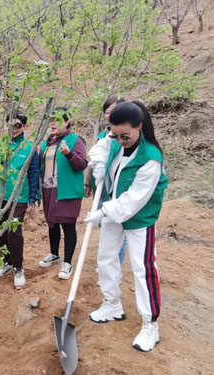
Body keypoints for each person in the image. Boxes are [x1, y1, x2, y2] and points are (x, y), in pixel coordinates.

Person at [85, 101, 168, 352]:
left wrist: (104, 211)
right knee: (105, 258)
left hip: (139, 218)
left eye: (125, 136)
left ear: (140, 127)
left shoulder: (151, 159)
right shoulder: (113, 139)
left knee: (143, 268)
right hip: (113, 209)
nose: (120, 140)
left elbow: (133, 201)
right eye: (115, 134)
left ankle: (150, 324)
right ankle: (112, 304)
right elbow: (100, 150)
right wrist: (99, 168)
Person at [38, 107, 88, 279]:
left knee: (68, 225)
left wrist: (69, 154)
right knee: (52, 223)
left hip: (67, 191)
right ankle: (54, 254)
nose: (52, 123)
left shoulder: (75, 140)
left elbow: (82, 164)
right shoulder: (46, 143)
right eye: (51, 119)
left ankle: (67, 263)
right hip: (49, 189)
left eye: (57, 119)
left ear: (67, 122)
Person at [0, 112, 39, 288]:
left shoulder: (29, 147)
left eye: (18, 125)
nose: (14, 129)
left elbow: (34, 173)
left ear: (24, 127)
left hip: (19, 196)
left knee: (14, 231)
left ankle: (18, 267)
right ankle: (7, 262)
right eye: (11, 125)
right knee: (1, 230)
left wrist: (33, 198)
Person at [85, 96, 128, 266]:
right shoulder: (104, 136)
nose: (110, 115)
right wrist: (88, 184)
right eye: (107, 112)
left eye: (114, 111)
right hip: (102, 188)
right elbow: (94, 161)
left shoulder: (128, 136)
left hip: (119, 190)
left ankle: (115, 264)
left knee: (118, 227)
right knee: (105, 224)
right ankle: (107, 262)